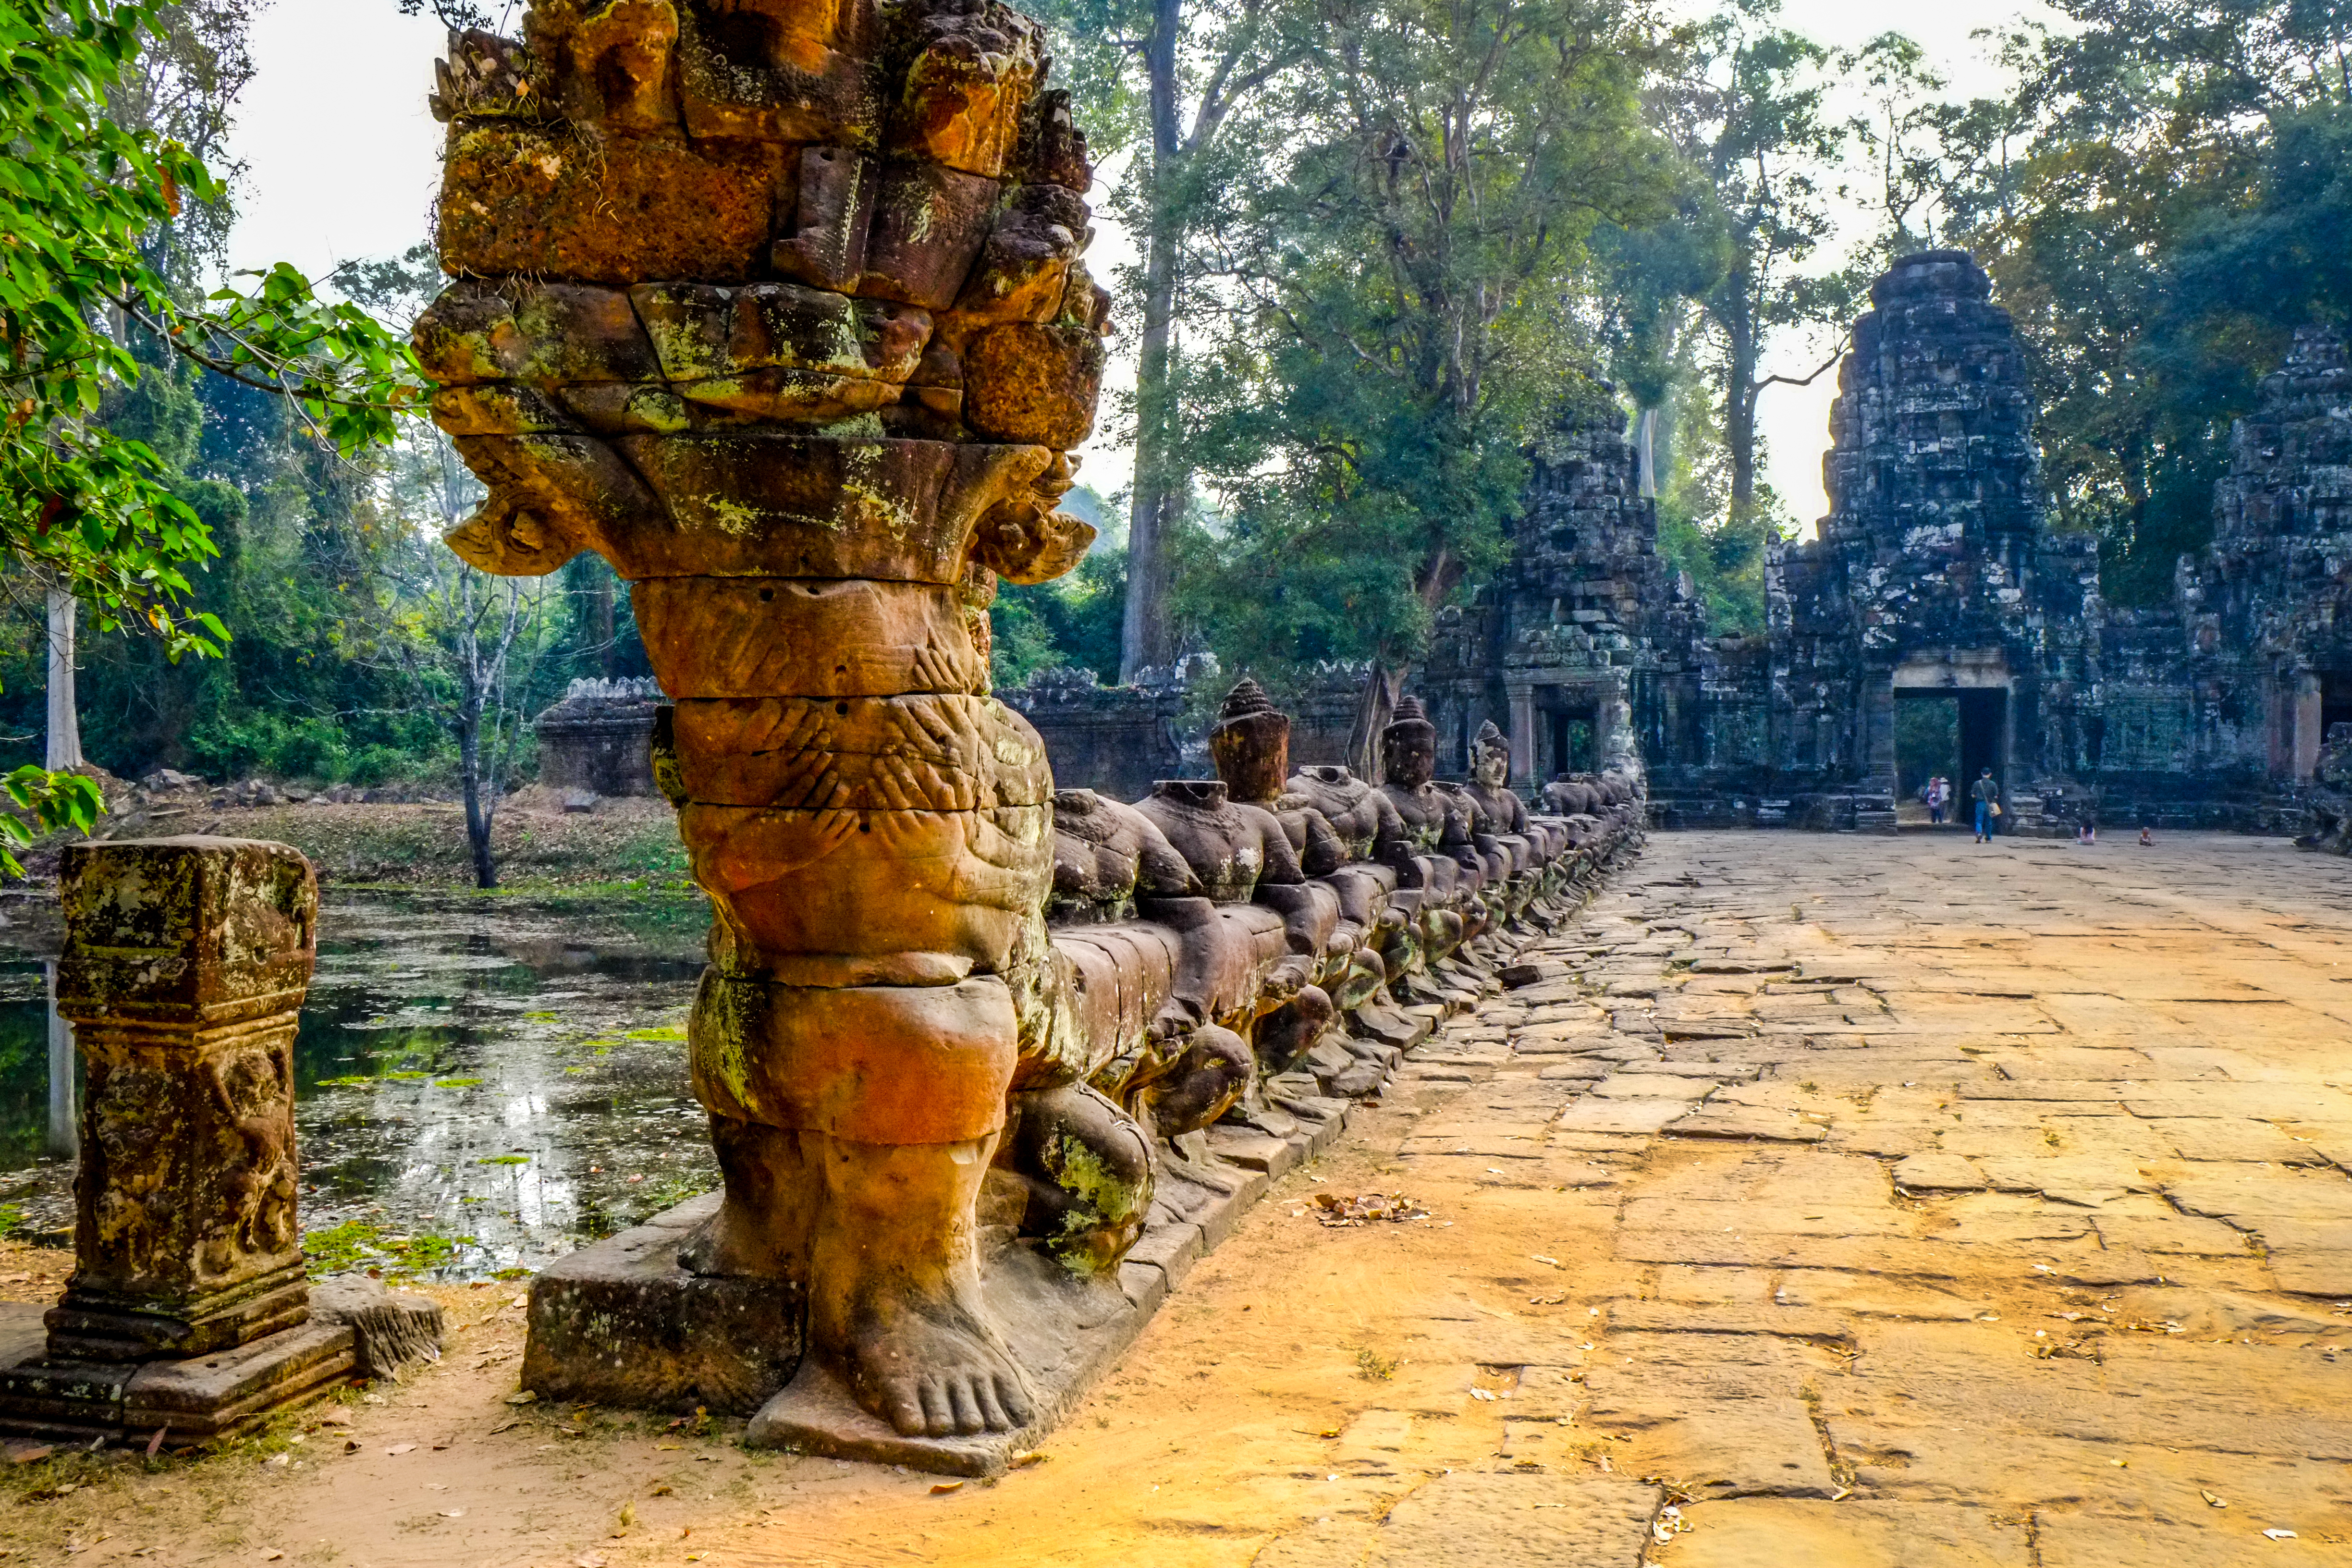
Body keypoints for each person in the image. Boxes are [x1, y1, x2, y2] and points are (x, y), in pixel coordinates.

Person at [1970, 768, 2000, 843]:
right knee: (1989, 821)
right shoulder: (1993, 784)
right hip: (1990, 804)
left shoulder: (1977, 783)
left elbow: (1973, 795)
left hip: (1980, 804)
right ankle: (1988, 838)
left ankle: (1979, 833)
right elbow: (1996, 796)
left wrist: (1977, 796)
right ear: (1990, 774)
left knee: (1979, 820)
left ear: (1981, 773)